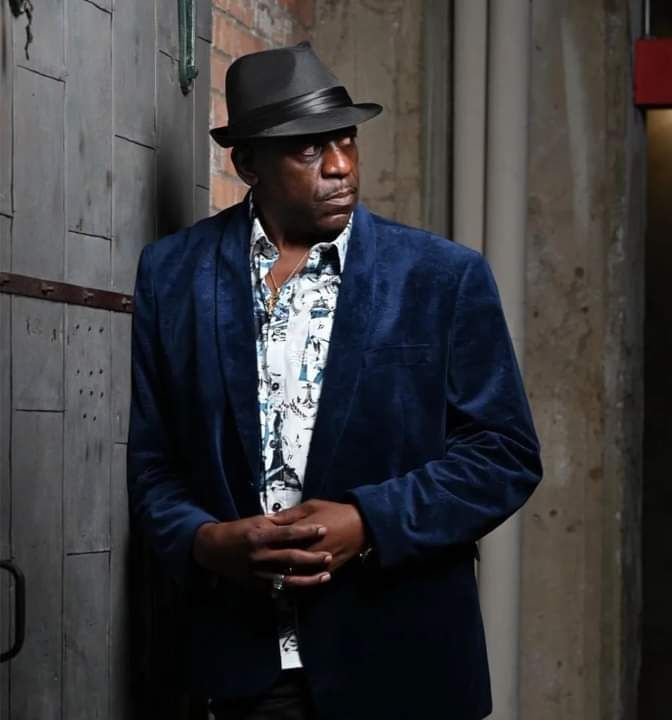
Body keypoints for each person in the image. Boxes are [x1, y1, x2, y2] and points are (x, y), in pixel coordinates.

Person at [126, 41, 542, 720]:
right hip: (245, 670)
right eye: (309, 149)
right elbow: (153, 465)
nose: (341, 165)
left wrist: (369, 521)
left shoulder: (441, 276)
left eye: (346, 140)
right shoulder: (172, 275)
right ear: (248, 164)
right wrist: (206, 542)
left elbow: (505, 455)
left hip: (404, 663)